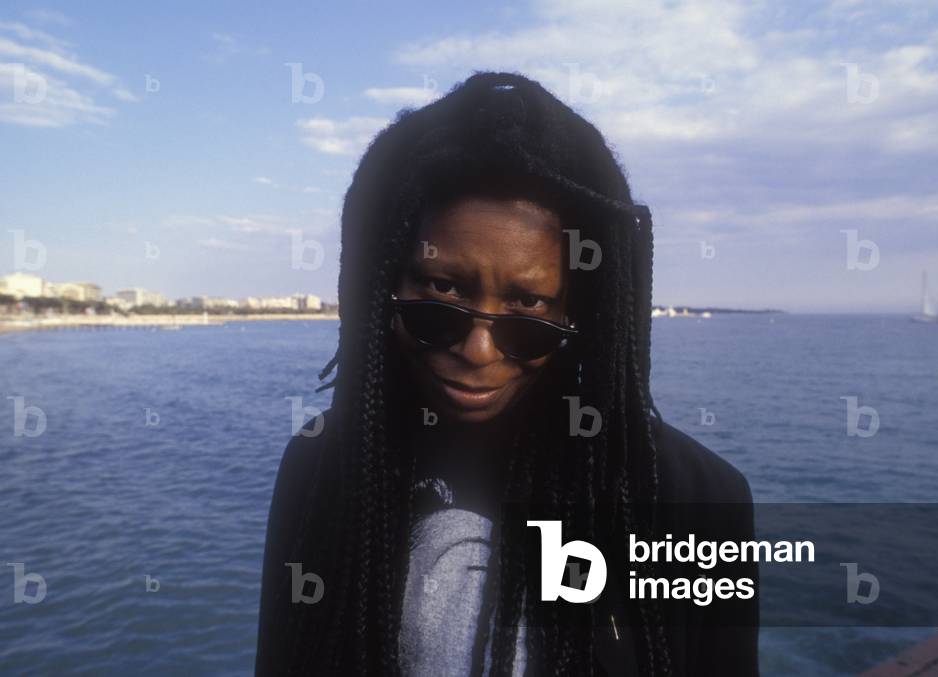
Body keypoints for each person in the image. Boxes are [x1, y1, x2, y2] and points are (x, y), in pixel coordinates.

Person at [255, 70, 758, 676]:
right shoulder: (321, 467)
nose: (478, 348)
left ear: (581, 309)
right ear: (383, 280)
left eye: (528, 310)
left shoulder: (692, 499)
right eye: (441, 290)